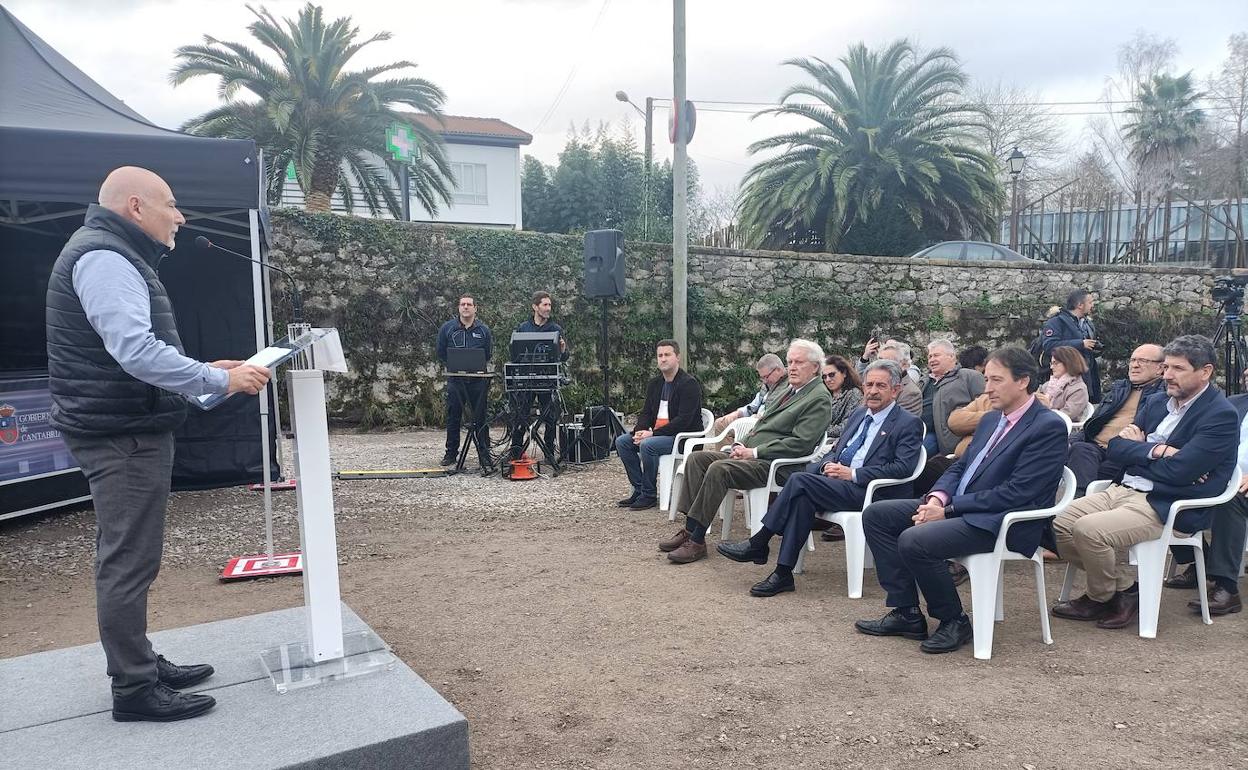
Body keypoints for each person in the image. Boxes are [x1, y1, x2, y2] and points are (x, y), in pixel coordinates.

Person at [46, 167, 271, 722]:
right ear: (136, 207)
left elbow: (130, 353)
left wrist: (202, 370)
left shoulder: (108, 252)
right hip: (122, 433)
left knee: (131, 556)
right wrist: (219, 381)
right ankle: (135, 688)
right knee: (128, 560)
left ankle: (140, 661)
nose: (181, 216)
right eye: (171, 204)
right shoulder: (106, 257)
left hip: (125, 423)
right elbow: (135, 352)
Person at [854, 347, 1067, 654]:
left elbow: (1019, 493)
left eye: (996, 380)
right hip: (963, 509)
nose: (987, 388)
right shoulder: (993, 419)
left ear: (1023, 381)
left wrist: (949, 509)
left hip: (1003, 521)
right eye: (985, 379)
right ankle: (906, 612)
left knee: (915, 540)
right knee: (877, 515)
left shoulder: (1047, 426)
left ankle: (953, 620)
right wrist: (938, 498)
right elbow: (960, 466)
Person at [1052, 335, 1239, 630]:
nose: (1167, 375)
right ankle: (1125, 590)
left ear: (1205, 372)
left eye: (1178, 368)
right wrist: (1159, 451)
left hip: (1168, 502)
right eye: (1166, 367)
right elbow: (1115, 448)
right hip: (1122, 488)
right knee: (1058, 523)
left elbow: (1180, 473)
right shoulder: (1156, 402)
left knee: (1089, 531)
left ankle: (1099, 596)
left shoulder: (1220, 415)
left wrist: (1139, 453)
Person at [716, 360, 923, 596]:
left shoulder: (908, 423)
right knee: (803, 498)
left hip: (873, 492)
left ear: (895, 390)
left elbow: (903, 468)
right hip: (838, 484)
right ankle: (783, 573)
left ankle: (760, 542)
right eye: (869, 385)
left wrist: (853, 474)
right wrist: (827, 465)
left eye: (881, 386)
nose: (873, 391)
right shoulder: (858, 415)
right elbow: (837, 449)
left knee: (798, 480)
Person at [659, 339, 832, 564]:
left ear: (816, 367)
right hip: (753, 455)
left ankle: (698, 540)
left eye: (798, 362)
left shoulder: (818, 398)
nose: (792, 367)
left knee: (719, 469)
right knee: (696, 459)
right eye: (790, 362)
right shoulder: (791, 390)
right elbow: (761, 422)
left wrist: (755, 452)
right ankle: (690, 529)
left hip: (776, 466)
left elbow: (801, 443)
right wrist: (741, 445)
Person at [1163, 393, 1248, 615]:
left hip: (1240, 486)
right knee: (1169, 491)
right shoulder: (1233, 404)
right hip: (1224, 475)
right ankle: (1200, 562)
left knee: (1230, 501)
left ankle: (1226, 587)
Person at [1065, 344, 1165, 496]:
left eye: (1143, 361)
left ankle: (1076, 503)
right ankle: (1078, 501)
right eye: (1132, 360)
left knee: (1091, 467)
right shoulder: (1120, 389)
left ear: (1160, 368)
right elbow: (1092, 424)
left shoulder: (1163, 396)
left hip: (1124, 452)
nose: (1135, 365)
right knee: (1078, 448)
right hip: (1095, 448)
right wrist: (1067, 442)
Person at [615, 339, 704, 510]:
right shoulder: (655, 384)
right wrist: (640, 431)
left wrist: (652, 434)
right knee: (622, 442)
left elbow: (683, 421)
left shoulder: (689, 384)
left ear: (677, 357)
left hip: (683, 438)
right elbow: (646, 412)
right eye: (660, 355)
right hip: (659, 435)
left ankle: (648, 495)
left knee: (648, 445)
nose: (663, 359)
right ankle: (639, 489)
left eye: (667, 355)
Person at [436, 295, 494, 470]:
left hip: (478, 380)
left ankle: (484, 454)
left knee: (480, 417)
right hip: (456, 379)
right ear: (458, 308)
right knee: (454, 416)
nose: (466, 307)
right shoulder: (447, 328)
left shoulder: (484, 330)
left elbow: (488, 353)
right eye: (463, 304)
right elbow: (441, 351)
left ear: (476, 308)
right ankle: (451, 453)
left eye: (469, 304)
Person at [509, 290, 568, 461]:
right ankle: (516, 451)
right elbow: (515, 356)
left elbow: (563, 357)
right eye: (545, 305)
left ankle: (549, 451)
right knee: (521, 414)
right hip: (527, 380)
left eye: (549, 305)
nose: (548, 308)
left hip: (547, 379)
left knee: (550, 416)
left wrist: (563, 349)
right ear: (535, 307)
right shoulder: (523, 328)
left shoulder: (556, 328)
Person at [919, 340, 984, 457]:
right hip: (919, 433)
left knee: (915, 457)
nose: (932, 360)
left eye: (936, 355)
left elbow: (985, 404)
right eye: (930, 356)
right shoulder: (924, 381)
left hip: (952, 440)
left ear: (951, 356)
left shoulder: (968, 376)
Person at [1042, 288, 1102, 403]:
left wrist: (1096, 348)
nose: (1092, 305)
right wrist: (1080, 344)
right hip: (1065, 379)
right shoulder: (1056, 322)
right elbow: (1049, 346)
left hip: (1087, 375)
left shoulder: (1087, 323)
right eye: (1090, 302)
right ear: (1080, 305)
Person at [710, 354, 786, 435]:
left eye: (766, 377)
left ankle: (739, 445)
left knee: (741, 429)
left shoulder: (789, 385)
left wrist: (758, 417)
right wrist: (738, 413)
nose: (764, 381)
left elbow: (780, 412)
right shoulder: (768, 384)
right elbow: (753, 406)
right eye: (762, 378)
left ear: (778, 370)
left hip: (766, 424)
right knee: (720, 423)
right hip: (753, 420)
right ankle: (731, 447)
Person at [1041, 345, 1090, 421]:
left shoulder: (1079, 389)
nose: (1051, 367)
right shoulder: (1047, 385)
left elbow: (1066, 415)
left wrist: (1046, 408)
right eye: (1051, 363)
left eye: (1055, 363)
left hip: (1064, 429)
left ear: (1069, 363)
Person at [878, 341, 923, 417]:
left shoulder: (911, 393)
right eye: (880, 361)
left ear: (904, 365)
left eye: (888, 362)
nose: (881, 366)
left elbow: (901, 424)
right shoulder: (874, 385)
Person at [823, 354, 863, 439]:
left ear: (844, 373)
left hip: (837, 442)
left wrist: (819, 430)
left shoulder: (854, 394)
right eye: (824, 376)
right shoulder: (823, 394)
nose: (828, 380)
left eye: (831, 375)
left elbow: (847, 426)